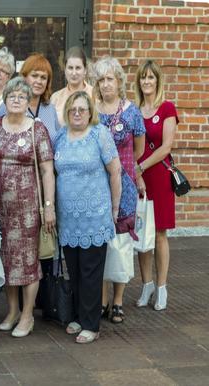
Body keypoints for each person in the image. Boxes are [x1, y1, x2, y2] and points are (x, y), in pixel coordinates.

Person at [0, 77, 55, 338]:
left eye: (21, 96)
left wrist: (49, 206)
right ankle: (12, 310)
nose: (16, 100)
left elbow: (48, 170)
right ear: (4, 100)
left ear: (29, 102)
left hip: (27, 209)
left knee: (27, 262)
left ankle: (28, 315)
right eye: (11, 95)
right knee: (6, 259)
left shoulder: (36, 130)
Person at [54, 91, 122, 344]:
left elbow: (115, 172)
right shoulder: (60, 136)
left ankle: (91, 324)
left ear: (90, 112)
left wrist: (114, 209)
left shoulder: (99, 134)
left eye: (82, 109)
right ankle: (79, 316)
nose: (78, 113)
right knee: (74, 271)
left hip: (95, 215)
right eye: (73, 109)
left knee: (91, 271)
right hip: (69, 219)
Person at [93, 55, 146, 324]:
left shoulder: (131, 111)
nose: (105, 85)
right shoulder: (93, 109)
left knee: (122, 243)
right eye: (101, 80)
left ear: (119, 80)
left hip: (124, 185)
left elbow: (138, 149)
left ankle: (117, 300)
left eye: (109, 79)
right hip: (98, 185)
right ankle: (102, 299)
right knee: (101, 241)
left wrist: (130, 173)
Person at [134, 60, 177, 311]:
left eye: (151, 78)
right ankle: (146, 284)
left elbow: (166, 147)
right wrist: (137, 173)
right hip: (140, 179)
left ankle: (161, 288)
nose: (147, 82)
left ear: (158, 81)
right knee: (141, 232)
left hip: (159, 177)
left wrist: (141, 166)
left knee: (160, 233)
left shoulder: (167, 108)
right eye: (143, 78)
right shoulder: (135, 109)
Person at [0, 54, 62, 137]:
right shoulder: (8, 106)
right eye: (34, 76)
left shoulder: (50, 109)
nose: (39, 81)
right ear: (24, 77)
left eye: (43, 77)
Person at [50, 47, 94, 127]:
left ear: (85, 70)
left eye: (78, 68)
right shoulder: (56, 98)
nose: (74, 73)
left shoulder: (95, 94)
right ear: (65, 70)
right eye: (70, 68)